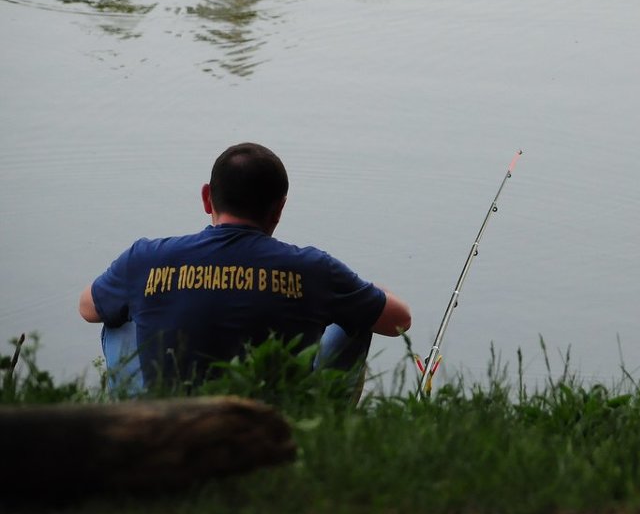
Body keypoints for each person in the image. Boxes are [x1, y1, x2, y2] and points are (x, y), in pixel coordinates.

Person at [78, 142, 412, 392]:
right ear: (279, 209)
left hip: (170, 419)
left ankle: (136, 414)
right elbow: (399, 320)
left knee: (117, 315)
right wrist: (371, 293)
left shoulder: (145, 258)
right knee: (359, 318)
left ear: (207, 197)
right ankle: (322, 416)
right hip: (272, 418)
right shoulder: (314, 269)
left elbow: (87, 308)